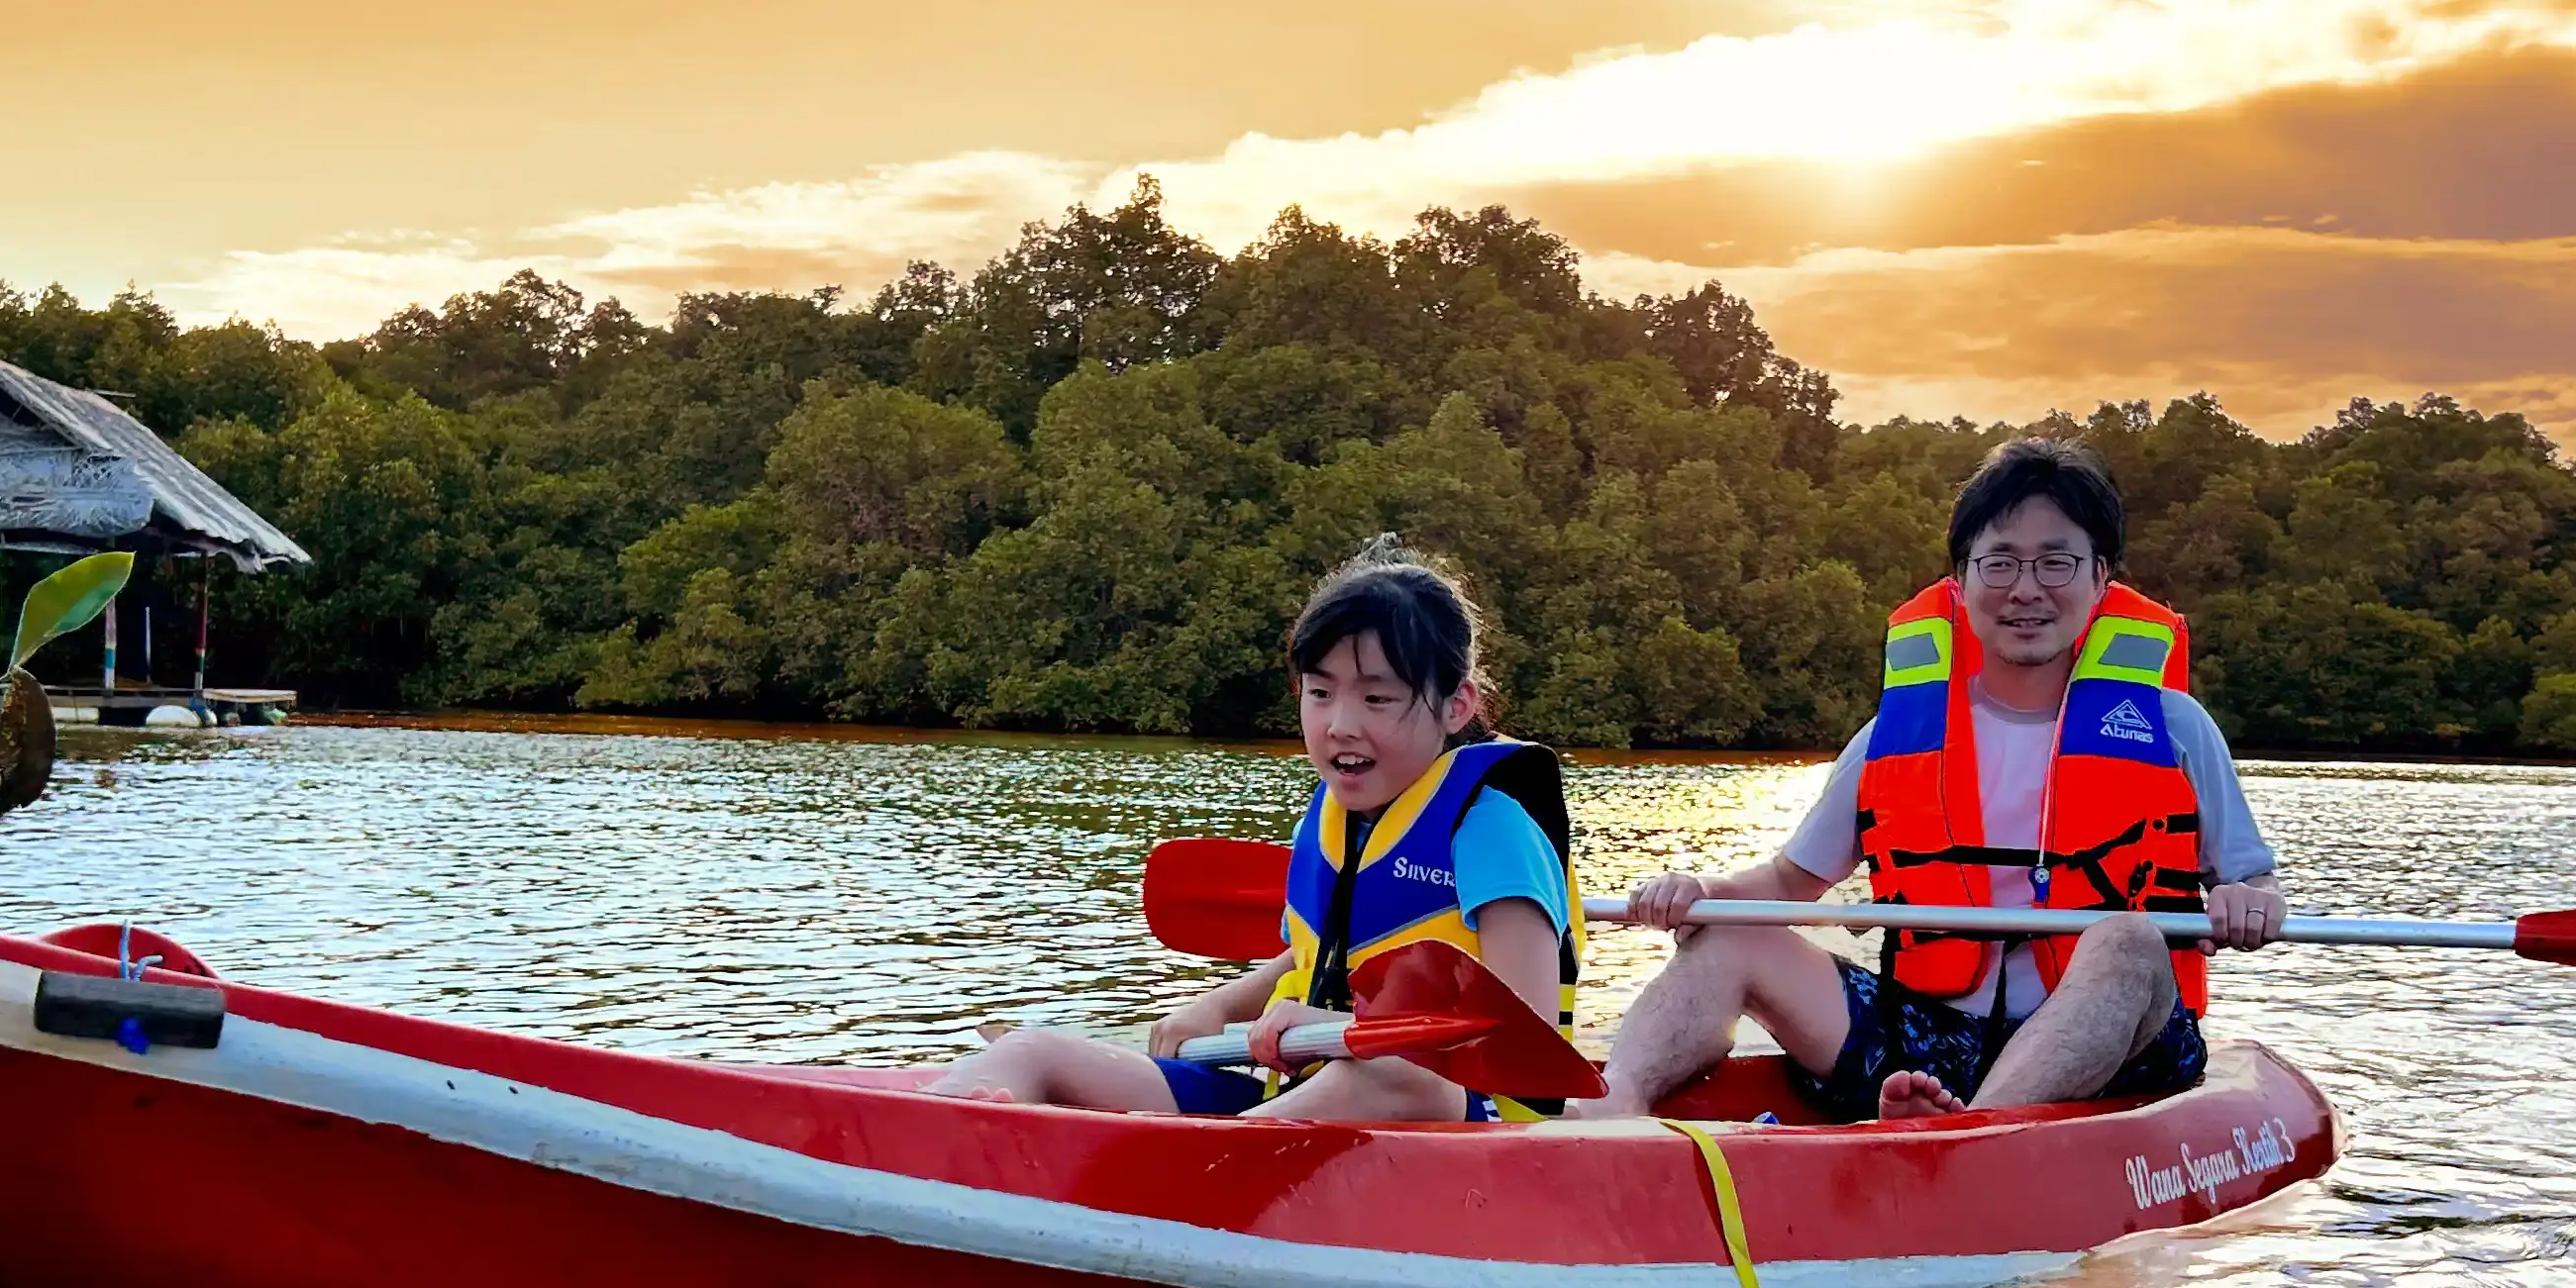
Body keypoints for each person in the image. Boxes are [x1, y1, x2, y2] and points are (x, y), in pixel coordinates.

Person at [1567, 436, 2281, 1124]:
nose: (2025, 589)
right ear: (1961, 581)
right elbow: (1790, 883)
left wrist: (2247, 902)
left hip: (2120, 1045)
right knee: (1726, 938)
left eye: (2055, 563)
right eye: (1999, 563)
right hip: (1931, 1038)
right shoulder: (1892, 737)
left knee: (2128, 940)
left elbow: (2252, 882)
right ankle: (1613, 1104)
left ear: (2100, 577)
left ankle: (1964, 1137)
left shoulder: (2175, 725)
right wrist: (1705, 895)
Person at [931, 540, 1582, 1123]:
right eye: (1320, 693)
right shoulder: (1338, 817)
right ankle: (946, 1132)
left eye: (1376, 698)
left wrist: (1340, 1030)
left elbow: (1519, 1033)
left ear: (1456, 705)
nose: (1339, 724)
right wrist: (1219, 1006)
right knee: (1028, 1050)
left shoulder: (1494, 827)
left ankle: (1201, 1175)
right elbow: (1316, 956)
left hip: (1458, 1114)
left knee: (1387, 1077)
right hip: (1308, 1093)